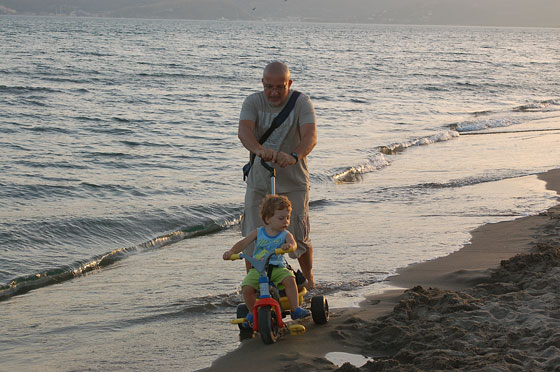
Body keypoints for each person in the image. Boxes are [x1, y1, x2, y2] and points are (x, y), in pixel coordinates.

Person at [238, 61, 317, 289]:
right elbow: (244, 131)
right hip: (259, 181)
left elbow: (310, 136)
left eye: (280, 87)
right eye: (269, 87)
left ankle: (308, 279)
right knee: (253, 236)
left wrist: (294, 155)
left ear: (289, 84)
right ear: (262, 83)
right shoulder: (252, 102)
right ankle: (254, 285)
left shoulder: (301, 103)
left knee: (298, 235)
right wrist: (259, 150)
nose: (273, 92)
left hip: (293, 180)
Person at [223, 195, 310, 326]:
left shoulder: (285, 234)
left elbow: (293, 244)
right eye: (281, 218)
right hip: (258, 268)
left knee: (290, 280)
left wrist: (289, 246)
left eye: (288, 217)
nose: (286, 221)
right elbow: (243, 243)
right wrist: (231, 252)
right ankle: (253, 312)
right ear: (268, 218)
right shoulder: (259, 232)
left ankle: (294, 309)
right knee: (246, 288)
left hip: (278, 268)